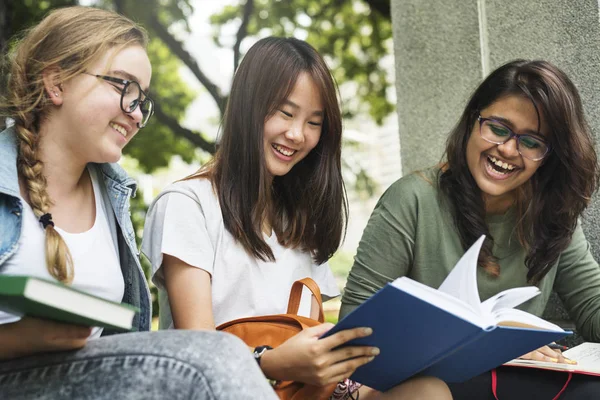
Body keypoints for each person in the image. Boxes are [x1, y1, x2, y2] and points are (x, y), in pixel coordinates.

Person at [142, 36, 452, 399]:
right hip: (227, 389)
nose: (297, 135)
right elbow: (200, 356)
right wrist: (271, 362)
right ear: (248, 107)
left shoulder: (298, 221)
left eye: (313, 122)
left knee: (427, 390)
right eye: (286, 113)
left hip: (303, 392)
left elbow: (309, 338)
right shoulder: (187, 204)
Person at [0, 6, 278, 399]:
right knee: (208, 358)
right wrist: (19, 338)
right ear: (56, 82)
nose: (134, 114)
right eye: (123, 86)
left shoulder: (111, 195)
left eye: (141, 99)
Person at [340, 59, 600, 399]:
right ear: (473, 121)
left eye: (532, 142)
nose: (507, 149)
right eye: (498, 127)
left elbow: (592, 307)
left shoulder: (553, 213)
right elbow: (353, 331)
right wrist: (488, 349)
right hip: (420, 385)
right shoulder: (413, 199)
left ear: (549, 156)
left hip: (513, 383)